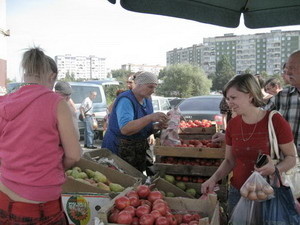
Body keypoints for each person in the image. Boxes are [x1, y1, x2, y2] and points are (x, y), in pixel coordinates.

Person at [0, 47, 81, 224]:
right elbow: (74, 155)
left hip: (4, 199)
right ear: (51, 76)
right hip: (41, 208)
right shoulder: (57, 103)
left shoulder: (4, 102)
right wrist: (58, 167)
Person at [201, 73, 296, 215]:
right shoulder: (233, 125)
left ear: (251, 95)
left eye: (233, 97)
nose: (229, 102)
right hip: (238, 192)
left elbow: (291, 158)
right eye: (227, 98)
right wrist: (213, 179)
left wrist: (275, 169)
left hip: (269, 194)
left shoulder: (275, 120)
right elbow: (229, 160)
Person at [101, 71, 169, 173]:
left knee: (136, 181)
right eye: (150, 87)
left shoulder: (147, 100)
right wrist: (150, 118)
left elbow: (141, 126)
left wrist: (156, 127)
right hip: (119, 150)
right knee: (121, 181)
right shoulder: (126, 100)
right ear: (139, 84)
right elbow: (125, 129)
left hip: (135, 151)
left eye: (155, 87)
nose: (153, 91)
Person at [264, 50, 300, 155]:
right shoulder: (281, 97)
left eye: (292, 68)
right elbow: (258, 120)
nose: (288, 72)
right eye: (287, 68)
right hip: (286, 166)